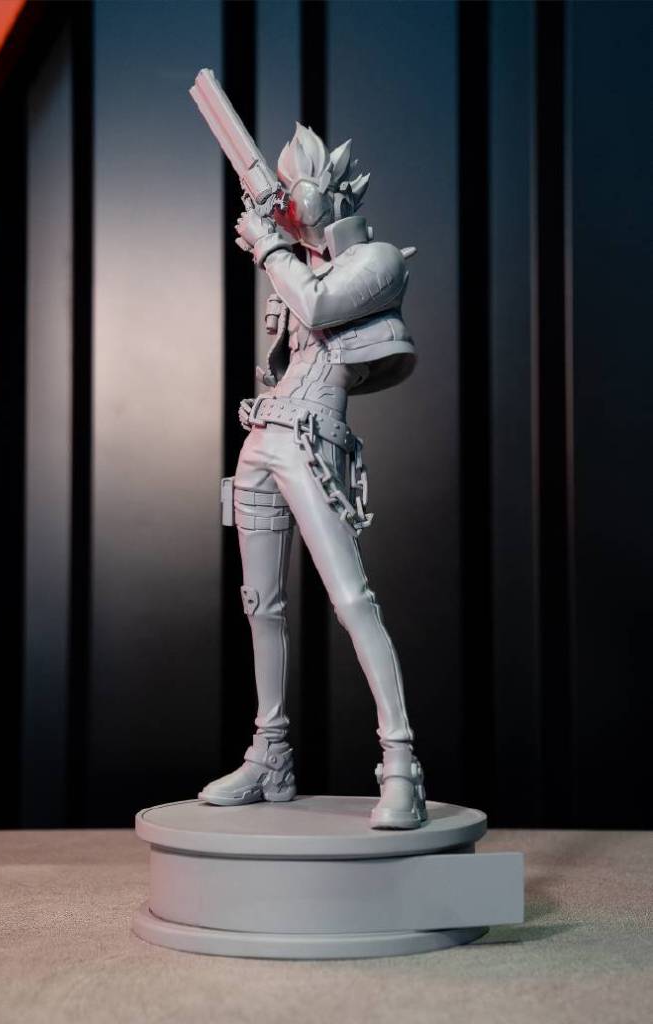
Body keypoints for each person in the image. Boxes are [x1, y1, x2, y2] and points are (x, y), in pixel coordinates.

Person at [199, 124, 426, 829]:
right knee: (259, 604)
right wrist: (277, 247)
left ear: (331, 194)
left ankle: (401, 766)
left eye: (294, 195)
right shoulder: (298, 264)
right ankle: (270, 754)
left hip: (312, 440)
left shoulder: (376, 261)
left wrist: (270, 246)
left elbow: (321, 306)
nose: (286, 209)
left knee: (351, 600)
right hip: (264, 437)